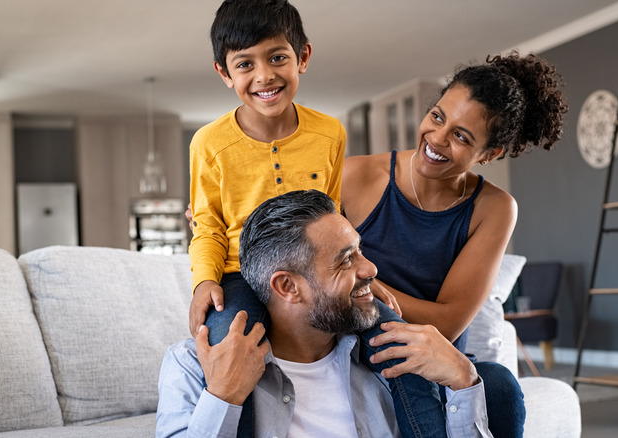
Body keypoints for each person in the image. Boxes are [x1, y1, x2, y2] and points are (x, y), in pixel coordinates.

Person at [187, 1, 443, 436]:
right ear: (224, 73)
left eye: (277, 57)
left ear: (303, 57)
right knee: (231, 349)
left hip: (318, 275)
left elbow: (333, 217)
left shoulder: (330, 133)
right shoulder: (208, 144)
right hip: (238, 274)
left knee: (398, 337)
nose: (264, 75)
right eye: (245, 64)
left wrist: (360, 277)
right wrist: (203, 281)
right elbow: (208, 225)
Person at [341, 52, 568, 437]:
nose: (437, 139)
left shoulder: (494, 208)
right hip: (356, 339)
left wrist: (367, 286)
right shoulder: (355, 175)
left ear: (490, 154)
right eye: (437, 117)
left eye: (461, 137)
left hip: (439, 352)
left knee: (499, 386)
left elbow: (446, 322)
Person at [158, 189, 493, 438]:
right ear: (287, 287)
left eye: (360, 251)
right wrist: (223, 397)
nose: (371, 269)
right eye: (345, 260)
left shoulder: (395, 362)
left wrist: (464, 379)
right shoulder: (191, 366)